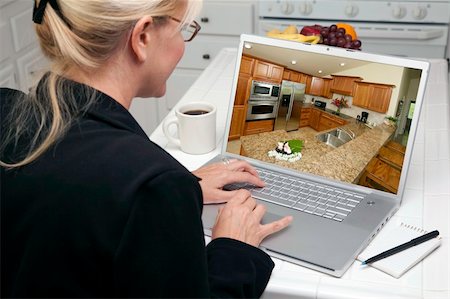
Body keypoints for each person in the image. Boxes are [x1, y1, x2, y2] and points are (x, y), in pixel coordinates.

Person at [0, 0, 292, 298]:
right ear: (142, 37)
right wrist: (234, 248)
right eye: (183, 30)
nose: (182, 44)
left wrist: (169, 195)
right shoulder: (152, 184)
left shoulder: (6, 109)